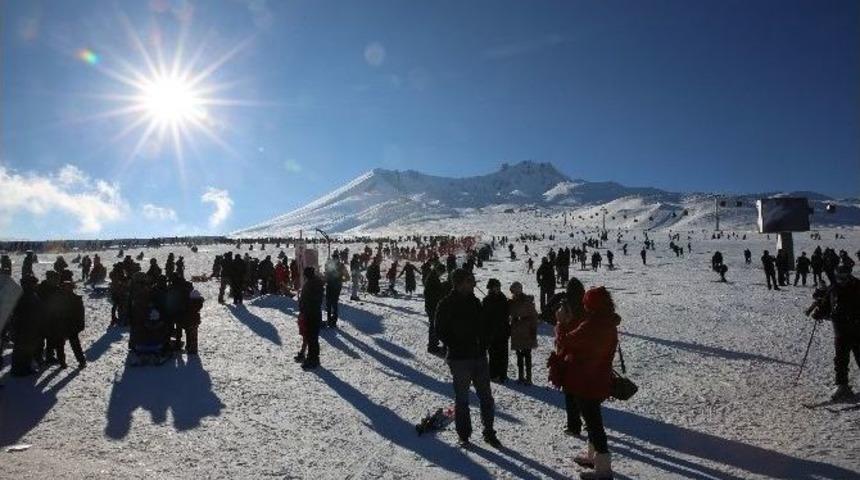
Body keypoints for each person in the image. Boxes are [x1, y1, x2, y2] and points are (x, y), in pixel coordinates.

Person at [557, 286, 620, 479]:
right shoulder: (607, 320)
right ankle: (594, 457)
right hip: (599, 377)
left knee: (593, 422)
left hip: (587, 380)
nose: (584, 305)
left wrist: (561, 324)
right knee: (593, 419)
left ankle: (603, 469)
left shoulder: (592, 324)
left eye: (587, 302)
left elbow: (567, 341)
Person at [434, 269, 500, 448]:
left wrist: (485, 342)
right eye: (470, 281)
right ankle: (464, 434)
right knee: (462, 399)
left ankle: (489, 431)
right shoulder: (446, 303)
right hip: (459, 359)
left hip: (479, 356)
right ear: (460, 283)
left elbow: (484, 325)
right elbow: (439, 329)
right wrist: (455, 344)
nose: (474, 284)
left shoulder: (475, 302)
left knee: (486, 397)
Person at [810, 264, 860, 401]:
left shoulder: (857, 286)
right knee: (840, 360)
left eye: (844, 277)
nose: (841, 280)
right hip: (840, 330)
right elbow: (826, 304)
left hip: (857, 330)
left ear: (849, 275)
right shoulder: (833, 288)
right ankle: (842, 386)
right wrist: (819, 313)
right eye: (839, 277)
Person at [553, 278, 587, 436]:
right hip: (586, 351)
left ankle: (574, 425)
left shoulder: (566, 304)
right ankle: (589, 420)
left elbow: (557, 320)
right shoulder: (588, 304)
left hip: (568, 351)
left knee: (570, 390)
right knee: (586, 390)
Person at [509, 281, 538, 385]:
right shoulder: (511, 301)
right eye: (513, 291)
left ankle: (529, 377)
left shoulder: (527, 301)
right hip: (517, 330)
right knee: (519, 355)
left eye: (516, 290)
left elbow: (534, 316)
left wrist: (533, 329)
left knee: (527, 354)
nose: (514, 293)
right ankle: (521, 376)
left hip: (526, 330)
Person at [482, 279, 510, 383]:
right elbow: (485, 318)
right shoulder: (486, 300)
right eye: (495, 287)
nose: (498, 288)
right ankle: (493, 374)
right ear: (491, 288)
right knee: (493, 354)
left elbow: (507, 313)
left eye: (498, 286)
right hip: (492, 332)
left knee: (503, 353)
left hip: (503, 330)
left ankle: (503, 374)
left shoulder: (503, 298)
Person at [298, 267, 324, 369]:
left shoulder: (310, 284)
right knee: (313, 338)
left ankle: (312, 359)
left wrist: (303, 308)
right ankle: (314, 358)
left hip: (311, 313)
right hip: (315, 313)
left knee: (311, 337)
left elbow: (307, 300)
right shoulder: (316, 282)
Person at [423, 264, 448, 354]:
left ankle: (433, 343)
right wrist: (443, 288)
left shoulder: (433, 277)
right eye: (441, 272)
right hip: (432, 306)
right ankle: (432, 346)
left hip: (431, 305)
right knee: (433, 325)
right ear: (438, 270)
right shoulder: (432, 279)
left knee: (434, 325)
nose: (441, 274)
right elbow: (433, 293)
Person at [324, 256, 347, 328]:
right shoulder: (341, 266)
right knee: (334, 303)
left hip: (330, 286)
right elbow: (347, 277)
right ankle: (333, 321)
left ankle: (329, 320)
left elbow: (326, 275)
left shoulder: (329, 264)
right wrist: (340, 280)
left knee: (329, 303)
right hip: (336, 287)